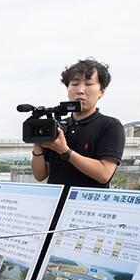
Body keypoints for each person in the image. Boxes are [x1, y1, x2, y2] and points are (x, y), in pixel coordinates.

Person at [29, 58, 125, 190]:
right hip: (56, 204)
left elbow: (104, 174)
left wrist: (65, 151)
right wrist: (38, 146)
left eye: (89, 84)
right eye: (74, 84)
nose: (80, 90)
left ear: (101, 91)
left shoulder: (110, 126)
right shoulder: (56, 126)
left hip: (88, 206)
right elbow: (40, 175)